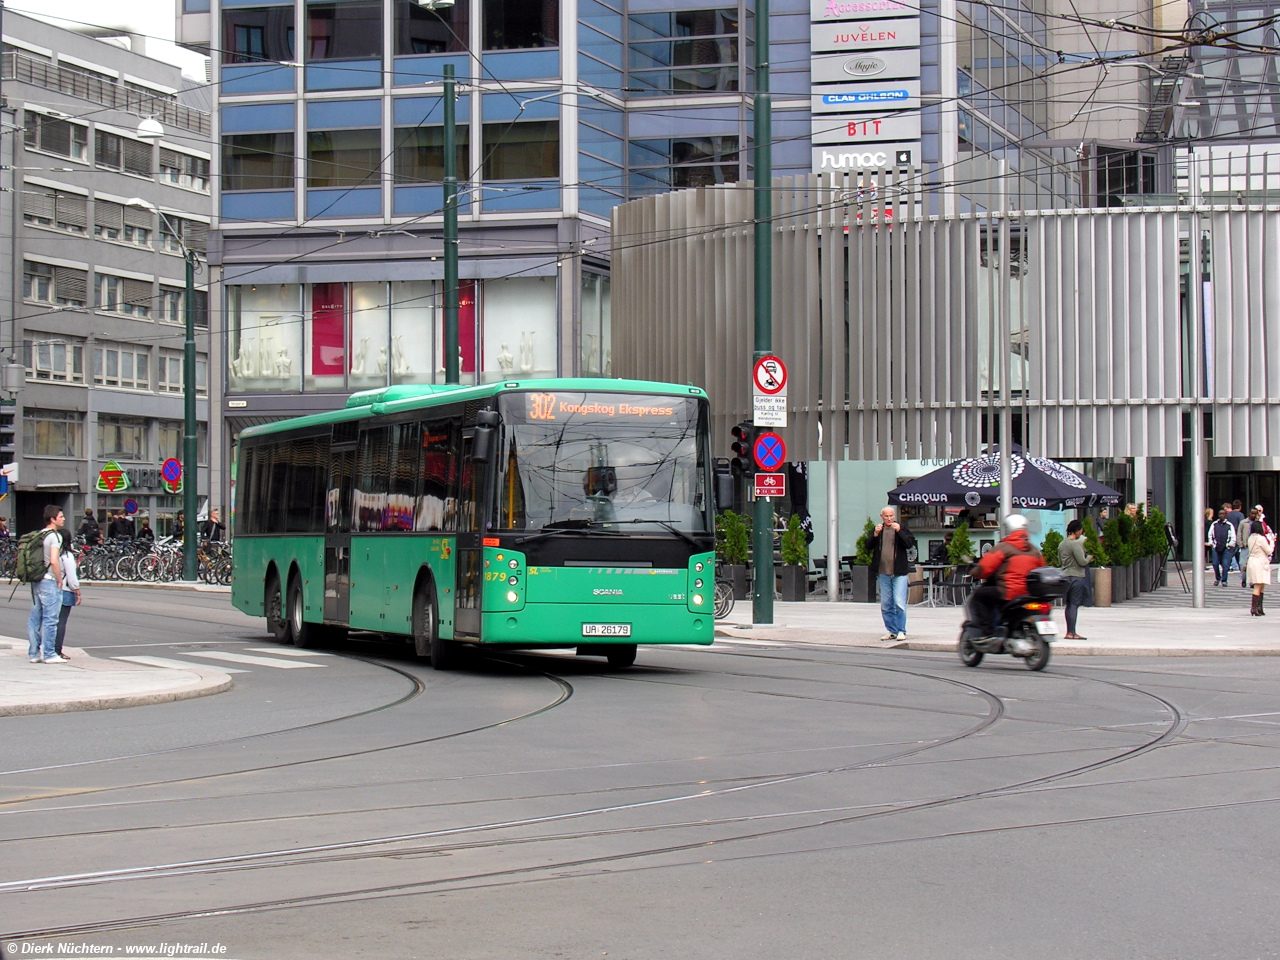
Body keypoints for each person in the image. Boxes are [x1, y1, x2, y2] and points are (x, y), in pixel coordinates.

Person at [967, 514, 1046, 638]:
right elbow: (1042, 569)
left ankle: (987, 633)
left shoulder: (1003, 547)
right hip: (1029, 593)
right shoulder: (1035, 550)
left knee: (978, 597)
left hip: (1009, 591)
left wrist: (975, 572)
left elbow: (986, 568)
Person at [27, 505, 68, 664]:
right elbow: (53, 560)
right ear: (53, 519)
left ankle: (34, 653)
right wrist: (59, 579)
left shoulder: (39, 534)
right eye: (61, 516)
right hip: (49, 580)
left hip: (36, 580)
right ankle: (49, 653)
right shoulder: (55, 537)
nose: (63, 519)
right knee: (51, 619)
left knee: (35, 619)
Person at [870, 505, 916, 642]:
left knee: (899, 602)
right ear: (881, 517)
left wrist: (900, 531)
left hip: (899, 572)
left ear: (894, 516)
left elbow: (909, 544)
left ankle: (901, 630)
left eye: (891, 516)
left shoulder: (901, 528)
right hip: (883, 572)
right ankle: (892, 630)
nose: (889, 518)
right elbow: (868, 545)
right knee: (885, 604)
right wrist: (874, 535)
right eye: (886, 516)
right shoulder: (879, 529)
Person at [1059, 519, 1090, 640]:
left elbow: (1060, 561)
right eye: (1081, 530)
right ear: (1077, 531)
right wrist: (1091, 556)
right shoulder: (1075, 544)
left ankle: (1068, 632)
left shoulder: (1062, 544)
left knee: (1068, 605)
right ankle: (1072, 632)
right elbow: (1082, 562)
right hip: (1076, 576)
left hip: (1066, 576)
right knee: (1074, 604)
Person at [54, 529, 81, 659]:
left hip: (52, 588)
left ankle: (47, 648)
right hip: (65, 590)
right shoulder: (67, 555)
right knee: (61, 622)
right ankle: (57, 649)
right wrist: (77, 591)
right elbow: (71, 576)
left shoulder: (53, 553)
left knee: (50, 621)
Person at [1246, 520, 1276, 616]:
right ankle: (1255, 608)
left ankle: (1259, 607)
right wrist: (1272, 542)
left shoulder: (1251, 538)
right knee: (1259, 585)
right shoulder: (1261, 539)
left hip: (1252, 561)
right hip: (1260, 563)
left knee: (1260, 584)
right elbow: (1269, 551)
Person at [1206, 509, 1237, 587]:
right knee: (1215, 564)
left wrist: (1230, 545)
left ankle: (1224, 580)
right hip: (1216, 547)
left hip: (1226, 548)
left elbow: (1233, 536)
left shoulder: (1229, 525)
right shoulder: (1214, 524)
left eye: (1223, 514)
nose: (1222, 516)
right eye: (1220, 514)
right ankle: (1218, 578)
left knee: (1225, 564)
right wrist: (1212, 544)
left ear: (1226, 515)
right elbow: (1210, 535)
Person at [1227, 500, 1246, 575]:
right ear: (1240, 507)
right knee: (1238, 552)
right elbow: (1242, 526)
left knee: (1230, 552)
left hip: (1230, 536)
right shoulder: (1240, 515)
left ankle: (1228, 565)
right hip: (1237, 535)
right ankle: (1240, 567)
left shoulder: (1228, 515)